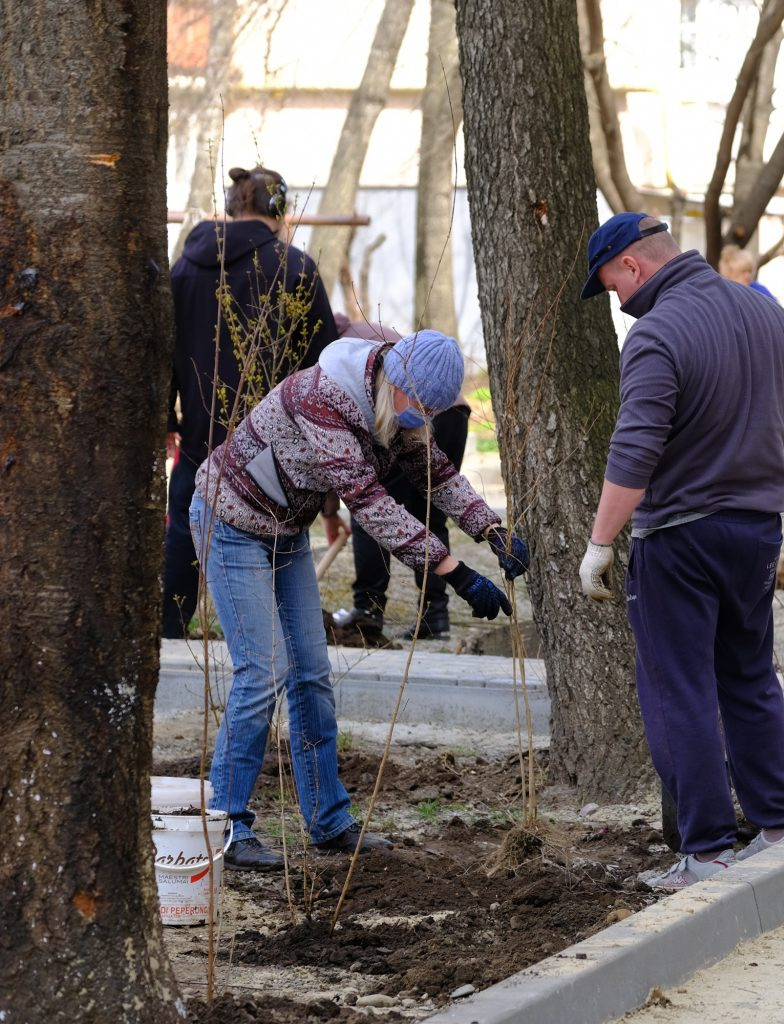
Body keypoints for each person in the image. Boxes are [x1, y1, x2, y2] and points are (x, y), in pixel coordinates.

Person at [189, 329, 528, 869]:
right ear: (393, 379)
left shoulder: (396, 407)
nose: (420, 418)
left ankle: (327, 822)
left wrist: (492, 530)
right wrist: (453, 571)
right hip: (229, 522)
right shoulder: (322, 398)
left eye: (430, 410)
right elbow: (368, 502)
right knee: (263, 671)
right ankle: (226, 825)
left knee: (311, 674)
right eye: (416, 404)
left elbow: (437, 474)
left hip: (284, 531)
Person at [577, 213, 784, 890]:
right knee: (748, 674)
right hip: (759, 527)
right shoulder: (765, 312)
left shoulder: (656, 335)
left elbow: (635, 449)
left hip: (680, 535)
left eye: (611, 286)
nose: (618, 303)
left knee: (679, 687)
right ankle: (778, 826)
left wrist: (599, 545)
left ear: (631, 266)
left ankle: (704, 852)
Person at [164, 165, 339, 639]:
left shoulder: (184, 266)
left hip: (200, 428)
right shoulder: (294, 268)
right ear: (278, 210)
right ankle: (270, 643)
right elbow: (320, 369)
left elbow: (162, 346)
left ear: (231, 207)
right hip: (273, 445)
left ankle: (172, 632)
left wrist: (167, 415)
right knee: (274, 539)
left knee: (184, 526)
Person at [327, 314, 474, 644]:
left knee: (371, 510)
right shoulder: (377, 332)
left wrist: (329, 511)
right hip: (454, 413)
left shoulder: (341, 350)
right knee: (430, 515)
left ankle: (368, 610)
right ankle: (434, 615)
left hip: (413, 410)